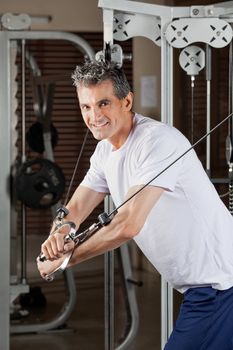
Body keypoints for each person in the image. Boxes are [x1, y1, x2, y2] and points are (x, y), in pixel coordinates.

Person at [37, 60, 233, 349]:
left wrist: (66, 259)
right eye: (86, 107)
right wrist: (59, 234)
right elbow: (77, 206)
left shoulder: (156, 141)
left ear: (126, 101)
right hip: (202, 287)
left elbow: (128, 224)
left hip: (220, 285)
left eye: (104, 103)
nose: (94, 116)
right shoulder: (105, 150)